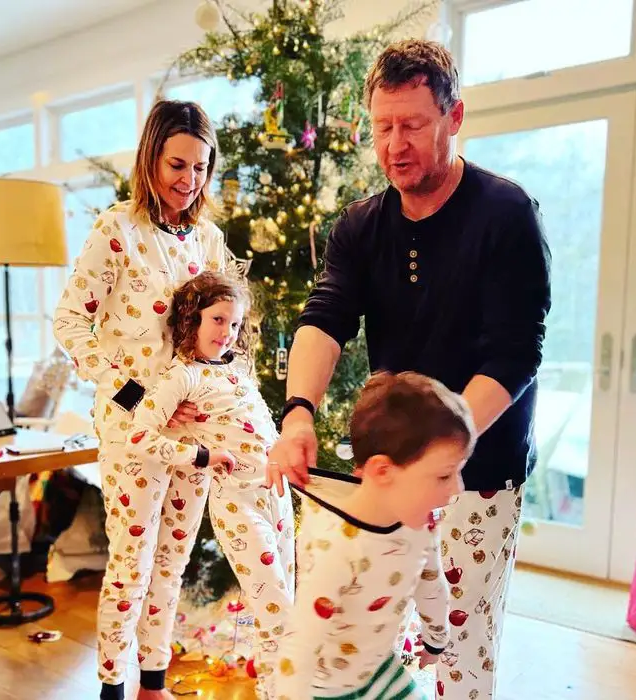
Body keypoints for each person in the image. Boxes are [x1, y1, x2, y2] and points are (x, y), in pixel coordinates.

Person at [265, 39, 552, 700]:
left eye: (414, 125)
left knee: (461, 643)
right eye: (383, 127)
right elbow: (325, 316)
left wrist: (441, 450)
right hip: (390, 480)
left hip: (477, 470)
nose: (395, 144)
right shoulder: (362, 225)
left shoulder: (506, 214)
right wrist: (299, 412)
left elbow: (516, 352)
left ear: (454, 117)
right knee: (384, 638)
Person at [53, 99, 232, 700]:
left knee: (172, 563)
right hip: (132, 429)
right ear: (150, 158)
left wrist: (212, 398)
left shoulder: (209, 239)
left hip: (194, 427)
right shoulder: (117, 231)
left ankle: (152, 682)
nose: (189, 181)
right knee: (131, 565)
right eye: (177, 164)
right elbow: (71, 324)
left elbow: (227, 332)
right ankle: (110, 686)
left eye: (201, 168)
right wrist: (137, 397)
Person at [124, 271, 296, 700]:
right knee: (278, 611)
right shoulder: (182, 377)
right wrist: (201, 457)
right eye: (218, 320)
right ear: (193, 319)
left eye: (234, 324)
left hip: (276, 491)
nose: (227, 332)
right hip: (237, 503)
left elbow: (259, 424)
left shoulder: (238, 366)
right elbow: (140, 436)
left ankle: (278, 690)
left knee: (282, 605)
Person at [274, 371, 475, 700]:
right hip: (324, 690)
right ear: (383, 471)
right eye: (443, 475)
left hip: (379, 670)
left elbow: (430, 581)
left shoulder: (421, 524)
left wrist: (436, 638)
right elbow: (300, 646)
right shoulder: (338, 550)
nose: (457, 490)